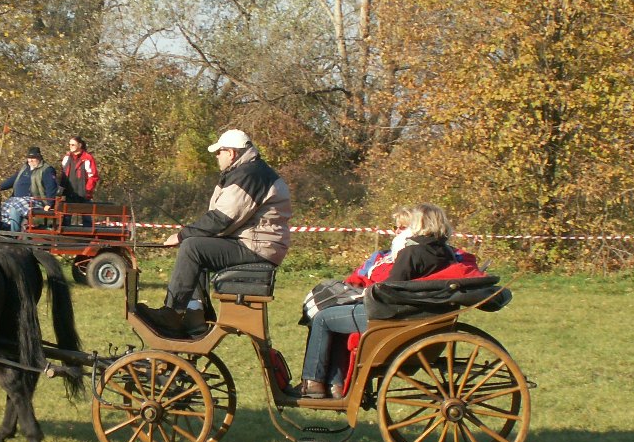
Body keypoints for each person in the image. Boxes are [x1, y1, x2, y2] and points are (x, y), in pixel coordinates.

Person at [294, 202, 479, 399]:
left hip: (390, 316)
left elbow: (388, 289)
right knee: (336, 317)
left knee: (323, 317)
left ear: (420, 224)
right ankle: (334, 384)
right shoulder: (447, 253)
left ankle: (313, 382)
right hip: (415, 311)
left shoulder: (412, 252)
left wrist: (363, 294)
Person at [138, 129, 293, 338]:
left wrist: (182, 235)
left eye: (219, 152)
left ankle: (172, 313)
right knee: (197, 245)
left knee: (193, 247)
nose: (216, 157)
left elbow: (223, 218)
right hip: (257, 244)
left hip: (258, 247)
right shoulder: (250, 171)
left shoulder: (249, 175)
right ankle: (195, 319)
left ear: (231, 153)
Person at [0, 145, 59, 231]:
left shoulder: (46, 170)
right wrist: (0, 187)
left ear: (39, 157)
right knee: (3, 207)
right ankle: (3, 230)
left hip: (36, 200)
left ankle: (14, 234)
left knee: (15, 208)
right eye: (29, 158)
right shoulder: (25, 168)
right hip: (18, 199)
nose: (30, 160)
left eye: (33, 158)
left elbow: (51, 187)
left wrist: (49, 203)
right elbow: (14, 179)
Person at [60, 135, 99, 202]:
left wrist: (87, 191)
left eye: (73, 145)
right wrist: (61, 192)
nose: (70, 146)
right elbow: (63, 176)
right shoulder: (67, 158)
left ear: (80, 145)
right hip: (68, 194)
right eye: (69, 144)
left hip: (82, 195)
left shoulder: (87, 158)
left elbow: (93, 177)